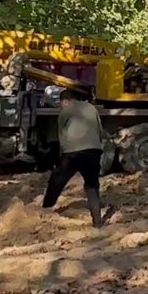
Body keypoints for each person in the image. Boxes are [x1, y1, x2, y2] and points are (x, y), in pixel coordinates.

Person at [42, 89, 105, 227]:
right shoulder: (91, 107)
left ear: (65, 101)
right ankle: (97, 221)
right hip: (93, 151)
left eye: (61, 104)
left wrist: (61, 157)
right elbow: (100, 131)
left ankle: (46, 209)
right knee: (92, 186)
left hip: (72, 153)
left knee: (56, 181)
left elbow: (62, 137)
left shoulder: (65, 112)